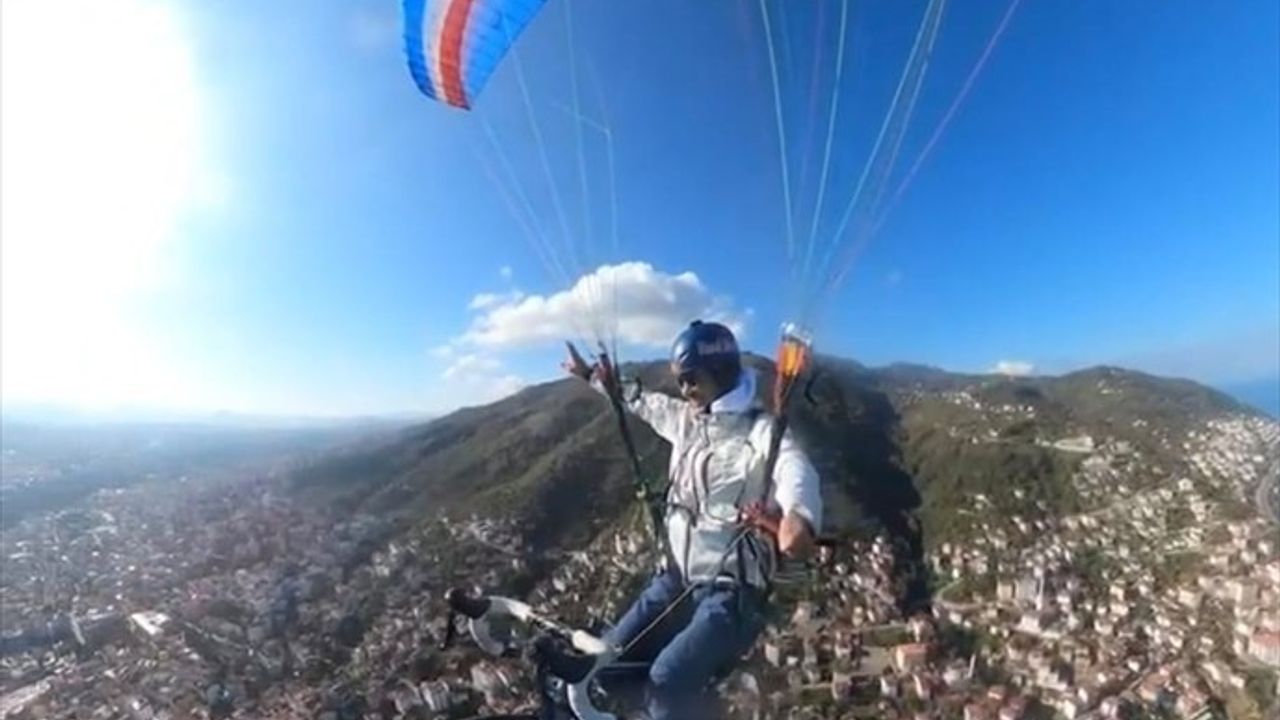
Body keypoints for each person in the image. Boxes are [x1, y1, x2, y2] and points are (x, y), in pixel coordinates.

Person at [563, 320, 822, 720]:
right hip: (675, 578)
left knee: (667, 678)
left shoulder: (759, 431)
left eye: (690, 379)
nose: (683, 391)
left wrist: (798, 516)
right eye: (679, 381)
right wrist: (590, 379)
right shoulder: (687, 420)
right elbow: (638, 399)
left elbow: (794, 468)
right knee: (608, 663)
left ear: (719, 373)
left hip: (730, 595)